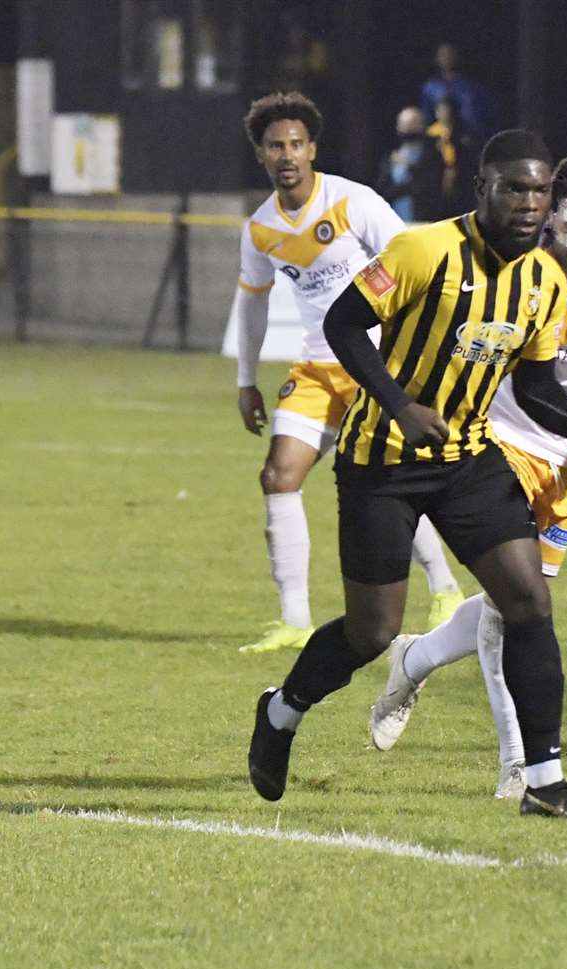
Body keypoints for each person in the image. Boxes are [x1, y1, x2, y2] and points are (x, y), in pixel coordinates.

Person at [246, 130, 567, 819]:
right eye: (513, 188)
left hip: (467, 460)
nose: (528, 202)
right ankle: (281, 710)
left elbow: (538, 384)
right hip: (382, 461)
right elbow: (345, 325)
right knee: (373, 632)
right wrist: (399, 405)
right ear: (481, 189)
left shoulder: (544, 280)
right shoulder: (422, 250)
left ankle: (544, 782)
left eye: (539, 190)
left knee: (528, 601)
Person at [365, 154, 567, 800]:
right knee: (512, 611)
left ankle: (413, 658)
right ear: (547, 223)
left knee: (519, 605)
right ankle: (519, 765)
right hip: (497, 442)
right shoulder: (509, 269)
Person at [233, 92, 464, 654]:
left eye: (295, 144)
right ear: (261, 155)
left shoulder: (352, 201)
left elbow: (411, 258)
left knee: (388, 480)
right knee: (278, 476)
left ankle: (447, 590)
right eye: (274, 146)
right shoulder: (260, 229)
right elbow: (254, 305)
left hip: (374, 364)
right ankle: (294, 621)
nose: (286, 155)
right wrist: (245, 380)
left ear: (312, 148)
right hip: (316, 367)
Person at [419, 42, 499, 143]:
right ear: (436, 59)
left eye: (449, 53)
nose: (447, 57)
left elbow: (488, 113)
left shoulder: (471, 87)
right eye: (443, 54)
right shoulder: (430, 87)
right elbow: (426, 117)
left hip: (471, 139)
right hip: (441, 140)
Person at [375, 106, 444, 223]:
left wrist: (409, 166)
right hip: (394, 220)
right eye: (404, 124)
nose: (408, 128)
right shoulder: (391, 157)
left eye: (412, 123)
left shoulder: (432, 155)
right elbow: (382, 188)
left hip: (423, 220)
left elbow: (429, 185)